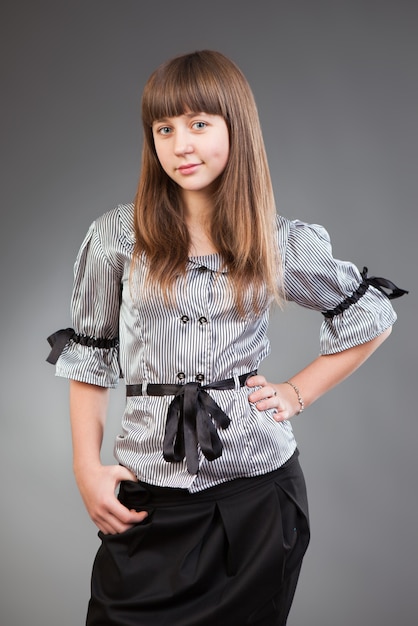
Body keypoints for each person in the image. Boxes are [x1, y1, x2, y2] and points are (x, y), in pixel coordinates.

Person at [47, 50, 407, 626]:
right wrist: (85, 468)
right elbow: (90, 356)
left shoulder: (279, 239)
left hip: (257, 498)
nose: (180, 145)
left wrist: (297, 392)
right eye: (164, 129)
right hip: (150, 498)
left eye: (199, 124)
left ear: (236, 127)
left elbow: (371, 315)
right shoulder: (115, 237)